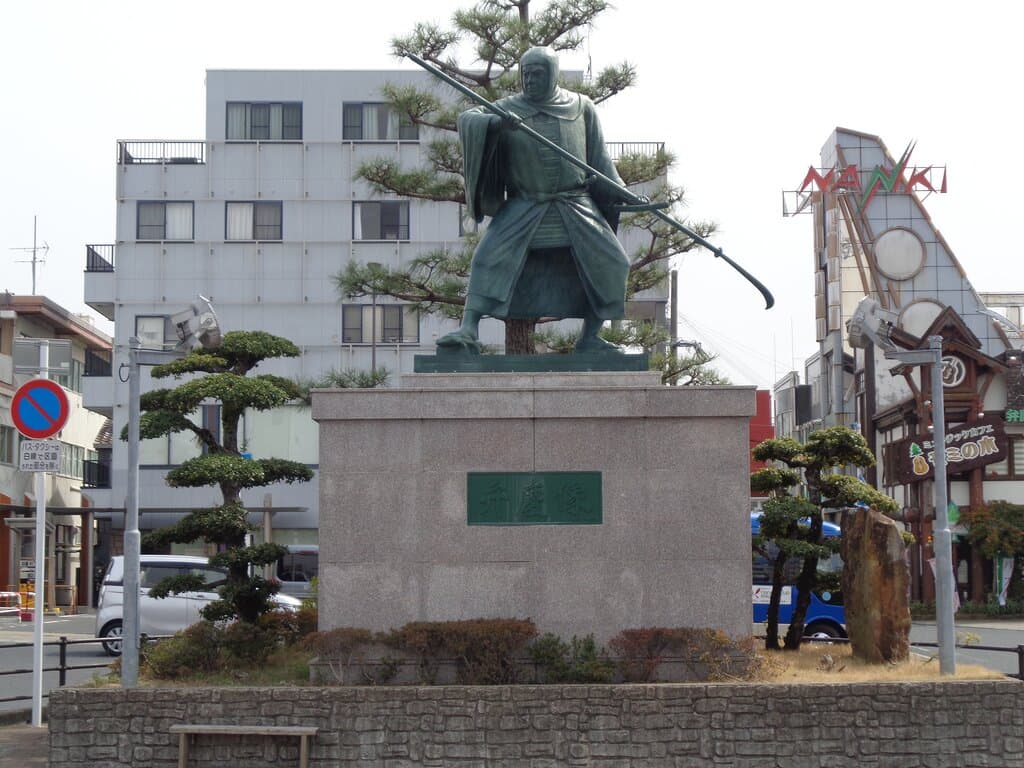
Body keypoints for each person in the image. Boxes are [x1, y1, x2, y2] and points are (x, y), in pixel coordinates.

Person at [437, 46, 634, 354]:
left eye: (538, 74)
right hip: (525, 204)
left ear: (553, 74)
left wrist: (625, 192)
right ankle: (468, 330)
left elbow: (601, 162)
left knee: (614, 261)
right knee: (487, 258)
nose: (530, 80)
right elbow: (469, 118)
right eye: (525, 74)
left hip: (574, 203)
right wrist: (496, 125)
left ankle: (591, 337)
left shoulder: (581, 107)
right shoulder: (507, 108)